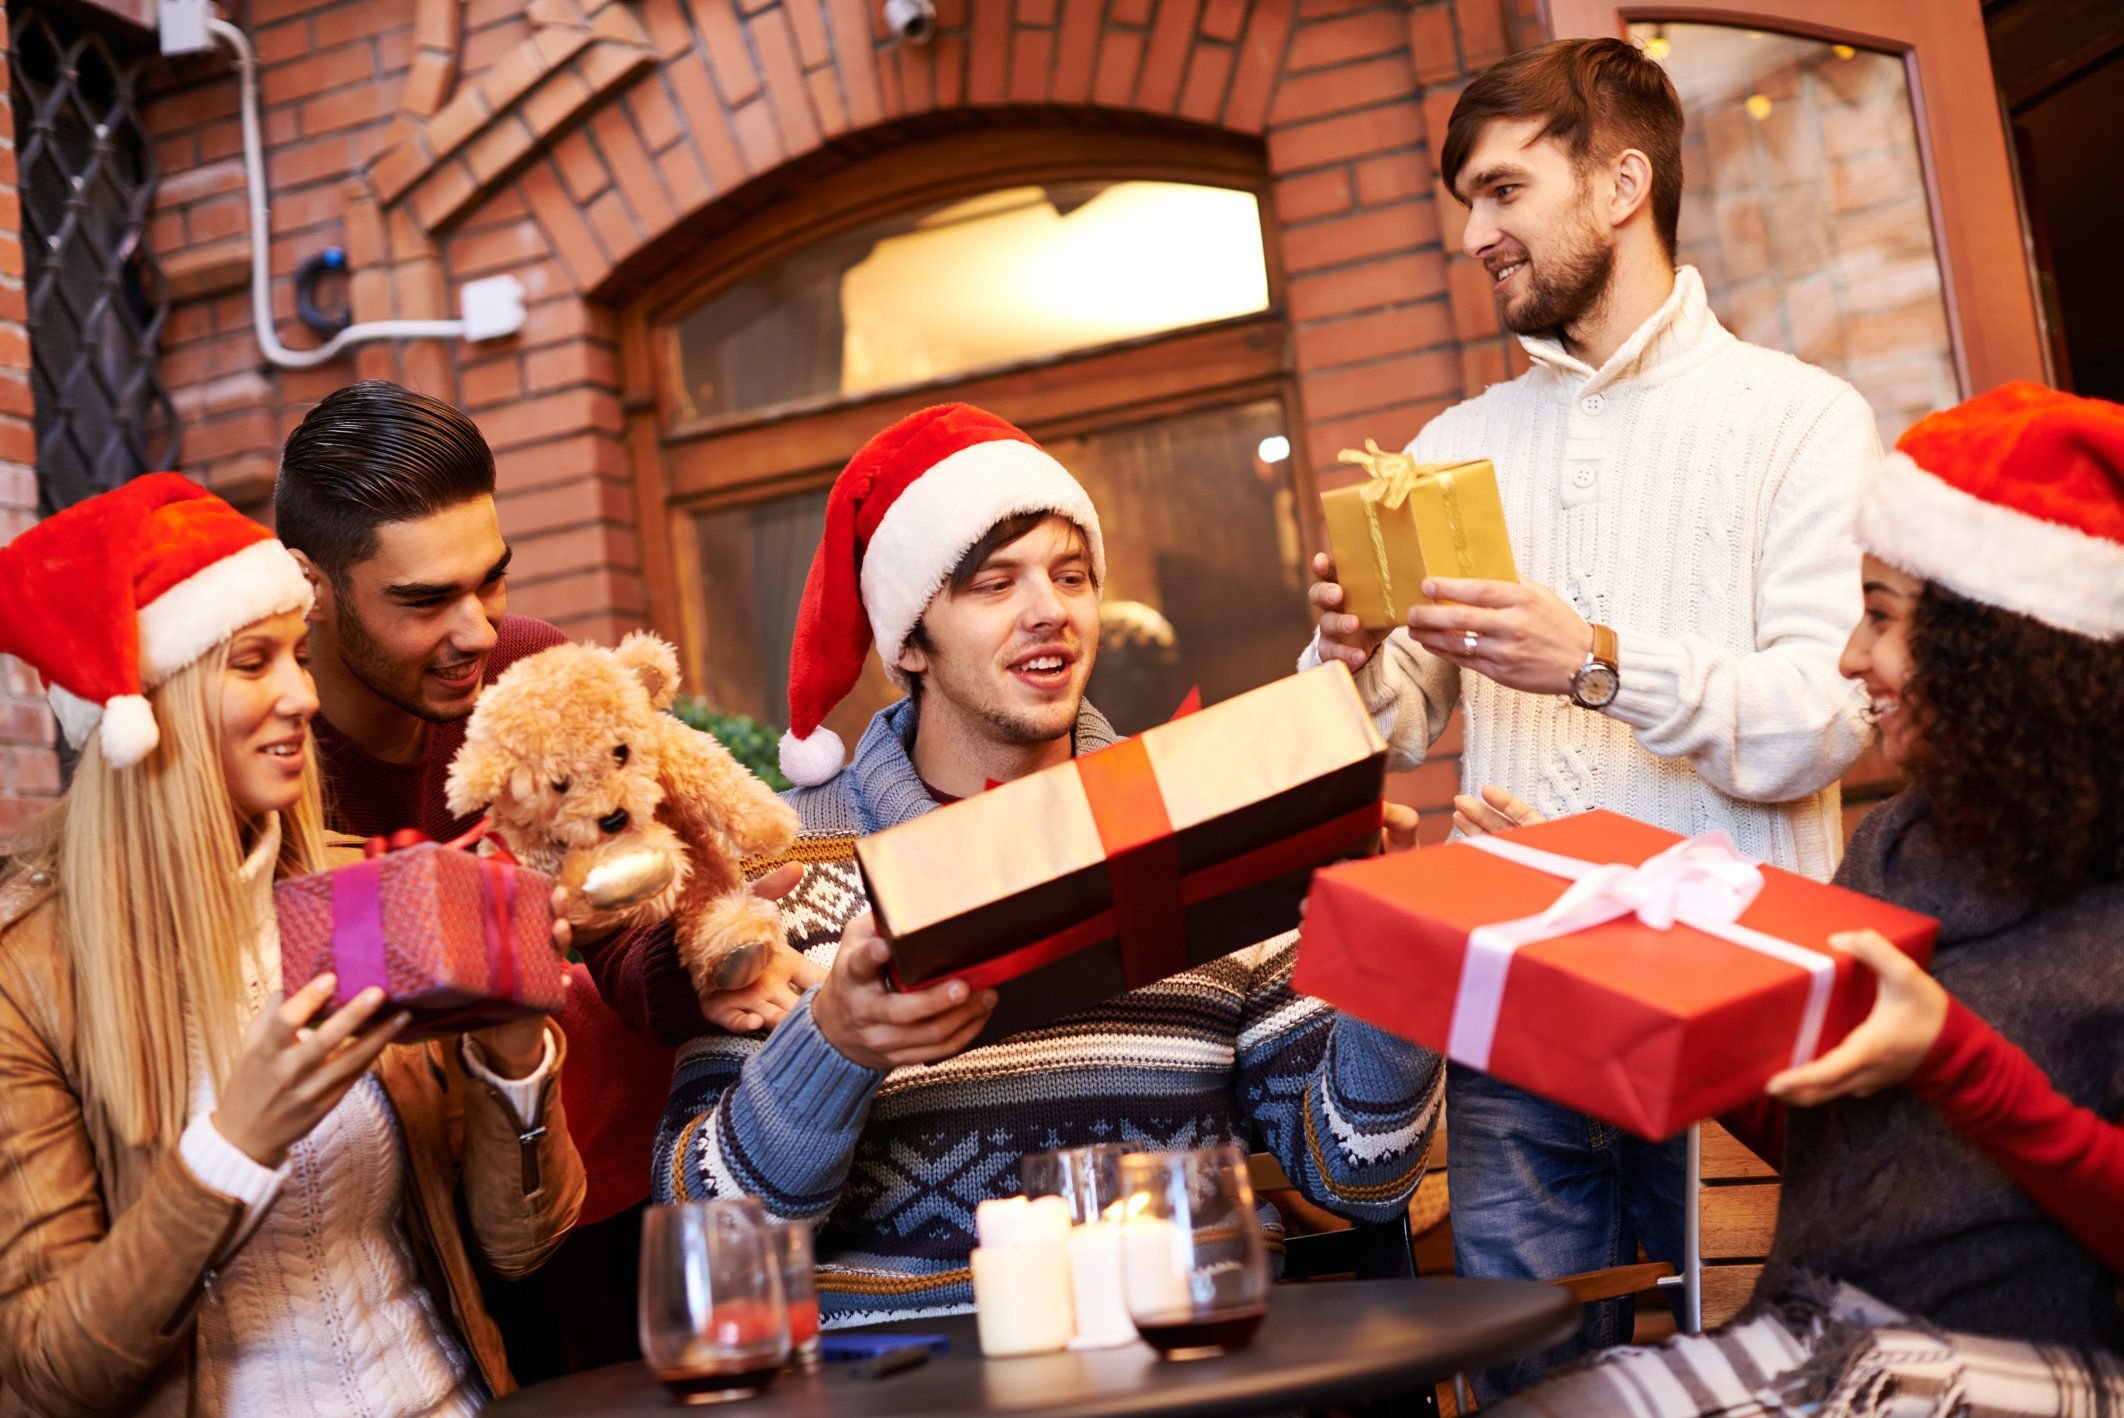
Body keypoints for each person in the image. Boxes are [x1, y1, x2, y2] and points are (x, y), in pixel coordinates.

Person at [1303, 37, 1878, 1392]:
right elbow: (1384, 730)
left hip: (1758, 1019)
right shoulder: (1453, 446)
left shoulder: (1801, 419)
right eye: (1466, 198)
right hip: (1526, 1016)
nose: (1472, 233)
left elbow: (1830, 713)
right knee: (1532, 1387)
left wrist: (1598, 662)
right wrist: (1347, 654)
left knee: (1782, 1378)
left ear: (1623, 182)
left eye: (1503, 190)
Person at [652, 403, 1444, 1323]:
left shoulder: (1202, 817)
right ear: (908, 639)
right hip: (910, 1387)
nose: (1050, 613)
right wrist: (834, 1042)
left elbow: (1361, 1171)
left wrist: (1394, 953)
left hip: (1192, 1370)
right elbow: (706, 1226)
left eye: (1072, 577)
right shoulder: (780, 871)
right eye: (996, 585)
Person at [1468, 382, 2124, 1415]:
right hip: (1825, 1331)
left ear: (2002, 653)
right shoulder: (1894, 845)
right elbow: (1840, 1148)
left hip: (2032, 1365)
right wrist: (1606, 943)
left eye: (1883, 617)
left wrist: (1956, 1057)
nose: (1853, 659)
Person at [0, 475, 583, 1414]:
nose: (301, 697)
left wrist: (512, 1051)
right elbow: (43, 1376)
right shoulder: (27, 978)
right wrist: (235, 1144)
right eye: (250, 662)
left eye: (299, 658)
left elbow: (520, 1247)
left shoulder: (357, 895)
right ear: (146, 709)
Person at [270, 381, 803, 1377]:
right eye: (426, 600)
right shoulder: (276, 766)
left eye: (492, 580)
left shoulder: (527, 675)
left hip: (635, 1187)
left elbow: (632, 938)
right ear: (311, 586)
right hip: (436, 1242)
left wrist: (709, 959)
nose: (475, 629)